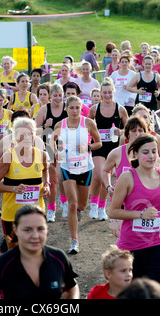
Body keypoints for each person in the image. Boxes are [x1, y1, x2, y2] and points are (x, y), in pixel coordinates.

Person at [108, 133, 160, 290]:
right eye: (146, 152)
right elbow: (113, 211)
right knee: (134, 292)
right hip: (132, 247)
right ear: (136, 154)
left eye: (154, 151)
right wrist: (140, 214)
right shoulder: (127, 178)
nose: (152, 156)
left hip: (158, 244)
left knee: (158, 289)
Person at [0, 205, 79, 299]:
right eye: (27, 230)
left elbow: (72, 286)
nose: (35, 236)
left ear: (47, 229)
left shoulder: (58, 257)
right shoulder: (3, 265)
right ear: (15, 230)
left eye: (40, 229)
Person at [0, 117, 50, 251]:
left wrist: (47, 184)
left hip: (37, 212)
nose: (27, 138)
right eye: (23, 134)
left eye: (30, 134)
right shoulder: (8, 157)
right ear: (16, 137)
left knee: (36, 249)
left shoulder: (42, 156)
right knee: (13, 252)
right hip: (13, 214)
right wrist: (13, 189)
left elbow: (45, 171)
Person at [51, 96, 102, 254]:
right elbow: (51, 141)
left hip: (85, 168)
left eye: (77, 108)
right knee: (72, 205)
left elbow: (99, 143)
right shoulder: (61, 125)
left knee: (81, 205)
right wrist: (56, 154)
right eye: (71, 108)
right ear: (66, 108)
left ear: (81, 109)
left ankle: (78, 211)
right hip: (67, 167)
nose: (74, 111)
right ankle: (74, 240)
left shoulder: (88, 123)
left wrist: (87, 147)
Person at [87, 78, 128, 220]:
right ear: (100, 93)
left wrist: (120, 131)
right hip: (99, 146)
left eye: (109, 92)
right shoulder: (94, 109)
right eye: (104, 92)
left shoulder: (120, 109)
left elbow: (128, 129)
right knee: (98, 175)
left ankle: (101, 207)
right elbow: (87, 126)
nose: (107, 95)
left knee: (107, 177)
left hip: (113, 147)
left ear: (113, 92)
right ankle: (93, 204)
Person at [102, 116, 149, 237]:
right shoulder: (117, 153)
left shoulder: (150, 155)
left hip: (141, 202)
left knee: (139, 239)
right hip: (121, 203)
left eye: (140, 130)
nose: (137, 133)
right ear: (127, 133)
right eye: (134, 131)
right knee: (122, 239)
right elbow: (105, 170)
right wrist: (108, 186)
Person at [35, 83, 68, 222]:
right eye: (55, 95)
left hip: (64, 145)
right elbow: (34, 130)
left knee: (63, 178)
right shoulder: (44, 109)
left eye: (60, 95)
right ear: (50, 96)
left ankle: (64, 201)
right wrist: (44, 126)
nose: (57, 98)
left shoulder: (67, 108)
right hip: (48, 145)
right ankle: (51, 209)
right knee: (53, 180)